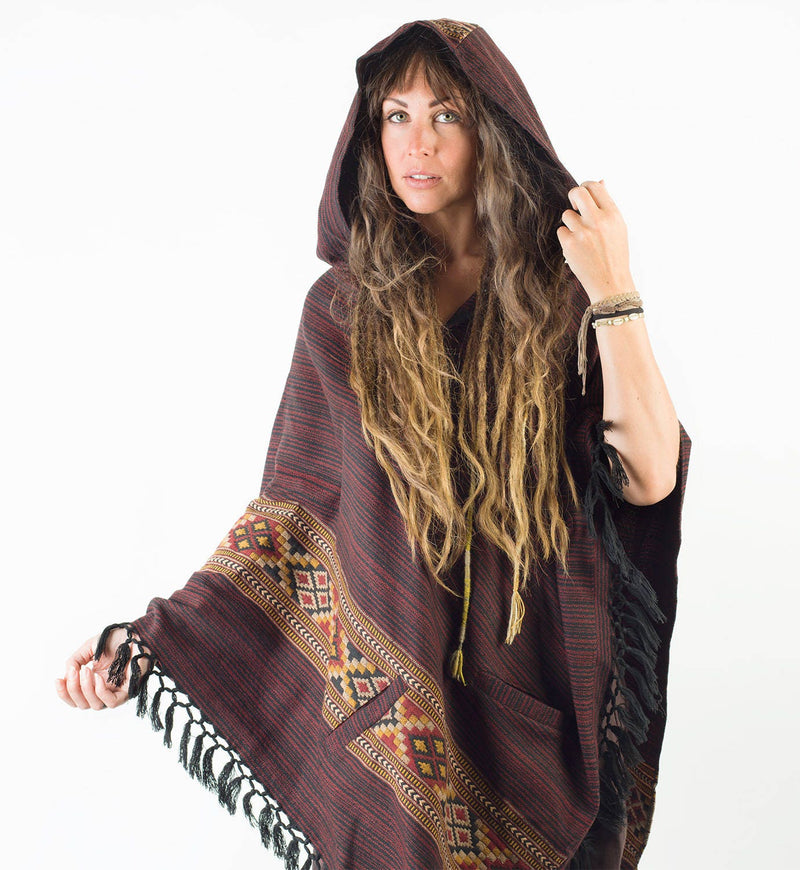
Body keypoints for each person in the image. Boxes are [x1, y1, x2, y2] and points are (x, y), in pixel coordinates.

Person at [54, 18, 691, 870]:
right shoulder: (342, 312)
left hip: (541, 699)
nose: (416, 143)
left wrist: (613, 288)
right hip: (395, 726)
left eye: (446, 115)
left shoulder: (562, 301)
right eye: (396, 115)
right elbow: (289, 524)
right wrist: (149, 641)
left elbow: (647, 478)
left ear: (494, 131)